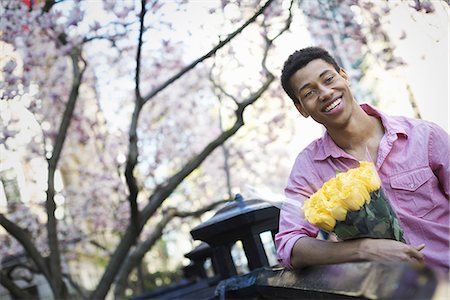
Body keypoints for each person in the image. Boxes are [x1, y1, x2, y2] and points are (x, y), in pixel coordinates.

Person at [274, 46, 449, 274]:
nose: (325, 93)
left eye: (328, 79)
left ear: (344, 76)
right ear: (301, 109)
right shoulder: (309, 167)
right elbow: (289, 246)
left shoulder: (424, 136)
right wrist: (364, 249)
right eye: (309, 93)